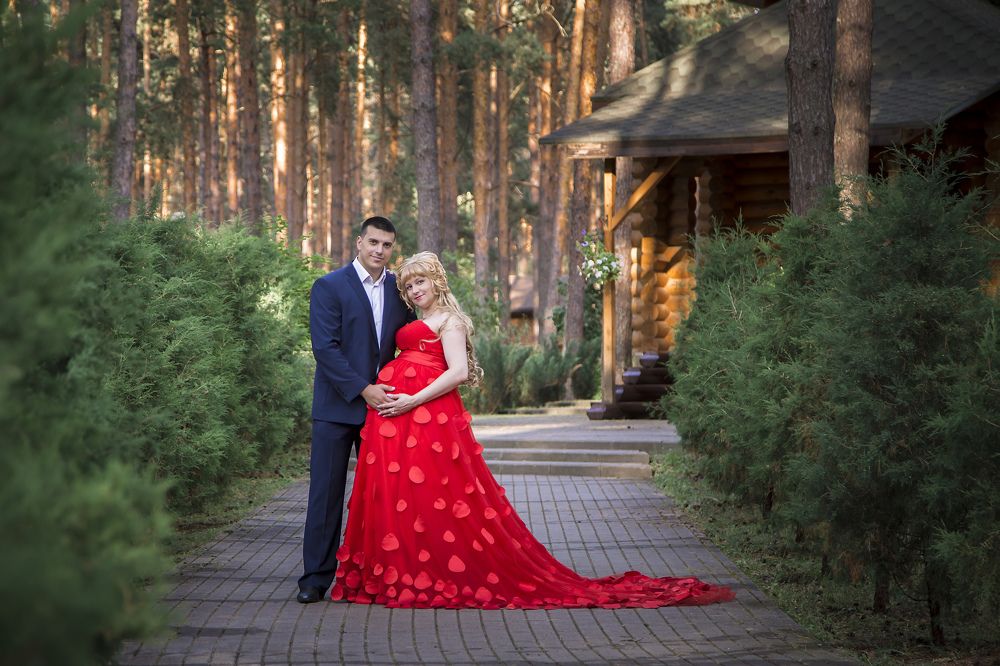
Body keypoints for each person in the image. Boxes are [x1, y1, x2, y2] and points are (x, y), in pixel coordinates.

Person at [328, 252, 735, 609]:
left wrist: (412, 400)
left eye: (420, 282)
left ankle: (430, 572)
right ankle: (400, 571)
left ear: (436, 281)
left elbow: (458, 372)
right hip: (398, 420)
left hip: (427, 416)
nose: (415, 290)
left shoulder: (451, 320)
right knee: (405, 496)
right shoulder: (415, 319)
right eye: (408, 285)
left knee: (436, 493)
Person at [297, 216, 415, 604]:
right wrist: (364, 390)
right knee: (325, 494)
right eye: (374, 242)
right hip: (336, 408)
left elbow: (411, 340)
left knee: (382, 497)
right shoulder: (329, 286)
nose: (380, 250)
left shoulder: (399, 291)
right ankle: (315, 578)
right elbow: (325, 348)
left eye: (387, 245)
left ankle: (377, 576)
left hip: (383, 410)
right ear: (359, 242)